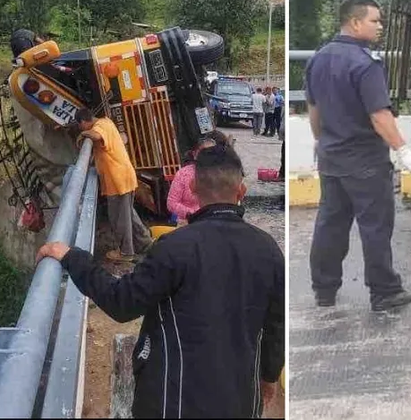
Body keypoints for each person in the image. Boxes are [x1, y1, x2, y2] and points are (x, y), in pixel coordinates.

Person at [37, 143, 284, 418]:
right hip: (238, 401)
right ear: (241, 192)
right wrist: (269, 377)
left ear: (193, 189)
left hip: (171, 402)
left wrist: (73, 257)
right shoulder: (269, 251)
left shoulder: (174, 248)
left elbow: (123, 302)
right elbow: (276, 327)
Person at [305, 0, 411, 312]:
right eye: (375, 20)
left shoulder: (317, 59)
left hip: (331, 159)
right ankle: (384, 291)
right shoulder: (366, 63)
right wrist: (402, 150)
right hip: (365, 162)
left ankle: (324, 289)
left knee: (330, 224)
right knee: (375, 226)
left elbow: (313, 110)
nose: (380, 26)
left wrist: (322, 143)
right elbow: (379, 116)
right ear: (355, 22)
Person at [74, 108, 152, 262]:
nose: (81, 128)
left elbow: (96, 135)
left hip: (117, 180)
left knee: (118, 218)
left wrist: (83, 134)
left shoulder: (99, 127)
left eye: (80, 126)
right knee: (128, 213)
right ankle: (145, 242)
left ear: (83, 122)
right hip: (123, 177)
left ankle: (126, 252)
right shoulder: (106, 122)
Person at [166, 130, 231, 224]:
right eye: (202, 152)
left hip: (212, 222)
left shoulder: (220, 175)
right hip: (186, 221)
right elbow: (171, 203)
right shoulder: (183, 174)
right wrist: (195, 214)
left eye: (210, 153)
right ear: (195, 154)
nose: (206, 156)